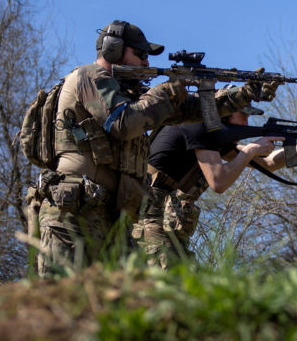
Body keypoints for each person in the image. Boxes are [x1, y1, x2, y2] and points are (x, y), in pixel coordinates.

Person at [35, 19, 272, 276]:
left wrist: (243, 94)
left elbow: (192, 111)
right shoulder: (88, 77)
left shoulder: (129, 94)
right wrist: (172, 88)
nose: (147, 63)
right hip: (75, 216)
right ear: (112, 49)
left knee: (117, 308)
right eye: (140, 54)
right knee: (63, 301)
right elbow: (124, 123)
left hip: (113, 215)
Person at [134, 107, 297, 267]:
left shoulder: (211, 138)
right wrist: (249, 151)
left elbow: (268, 163)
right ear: (224, 115)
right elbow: (219, 182)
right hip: (149, 216)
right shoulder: (196, 125)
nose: (247, 123)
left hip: (162, 221)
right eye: (242, 117)